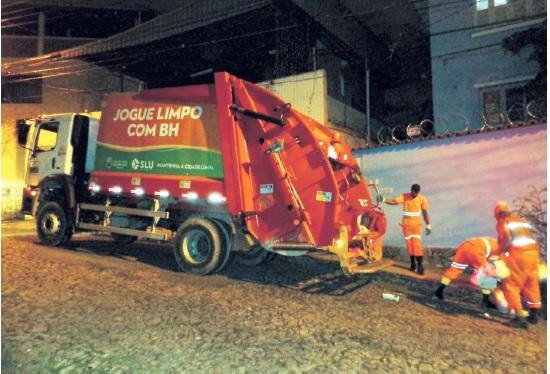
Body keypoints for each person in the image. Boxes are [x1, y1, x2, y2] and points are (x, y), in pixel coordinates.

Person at [494, 201, 542, 329]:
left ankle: (519, 318)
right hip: (533, 254)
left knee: (510, 284)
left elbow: (507, 239)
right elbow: (533, 237)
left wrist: (498, 253)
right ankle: (533, 315)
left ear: (498, 215)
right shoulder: (521, 221)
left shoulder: (503, 222)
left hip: (519, 255)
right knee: (531, 283)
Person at [434, 237, 505, 308]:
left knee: (454, 270)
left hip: (464, 246)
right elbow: (497, 267)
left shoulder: (494, 242)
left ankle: (439, 291)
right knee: (487, 274)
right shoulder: (502, 251)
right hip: (477, 250)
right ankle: (485, 301)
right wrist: (499, 281)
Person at [379, 184, 431, 275]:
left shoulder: (422, 199)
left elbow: (425, 212)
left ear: (418, 192)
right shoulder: (404, 196)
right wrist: (384, 200)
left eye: (417, 192)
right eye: (414, 192)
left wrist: (428, 225)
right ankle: (412, 265)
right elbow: (394, 202)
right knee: (410, 246)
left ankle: (420, 266)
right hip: (406, 226)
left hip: (416, 226)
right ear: (411, 190)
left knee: (417, 245)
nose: (415, 194)